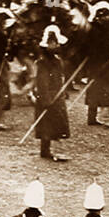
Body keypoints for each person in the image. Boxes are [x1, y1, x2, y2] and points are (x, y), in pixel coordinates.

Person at [31, 23, 70, 161]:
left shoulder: (57, 60)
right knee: (46, 124)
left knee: (56, 123)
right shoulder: (42, 62)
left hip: (56, 95)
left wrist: (63, 90)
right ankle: (45, 150)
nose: (55, 46)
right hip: (47, 97)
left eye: (56, 43)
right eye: (52, 43)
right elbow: (42, 83)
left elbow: (60, 77)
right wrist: (46, 100)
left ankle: (52, 149)